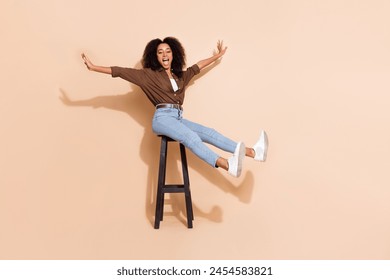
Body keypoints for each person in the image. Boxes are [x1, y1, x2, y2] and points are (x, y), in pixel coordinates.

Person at [81, 37, 268, 177]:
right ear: (155, 56)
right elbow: (120, 71)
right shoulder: (148, 75)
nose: (164, 55)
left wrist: (216, 56)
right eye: (160, 52)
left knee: (209, 133)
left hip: (177, 117)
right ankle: (228, 165)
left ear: (174, 54)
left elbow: (197, 67)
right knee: (191, 137)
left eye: (168, 51)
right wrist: (94, 67)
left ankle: (254, 152)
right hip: (162, 119)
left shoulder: (180, 76)